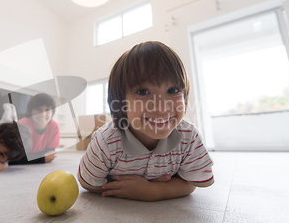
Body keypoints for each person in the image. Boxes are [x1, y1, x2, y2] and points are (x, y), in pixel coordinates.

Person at [77, 41, 214, 201]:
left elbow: (191, 183)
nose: (162, 107)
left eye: (174, 90)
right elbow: (88, 182)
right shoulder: (106, 141)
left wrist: (153, 191)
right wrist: (127, 189)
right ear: (121, 102)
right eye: (143, 91)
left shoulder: (189, 137)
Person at [13, 93, 60, 164]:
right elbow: (15, 157)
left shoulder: (54, 126)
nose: (43, 114)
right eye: (38, 109)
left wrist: (38, 157)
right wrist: (42, 158)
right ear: (30, 111)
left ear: (52, 112)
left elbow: (50, 154)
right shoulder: (22, 125)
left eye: (47, 109)